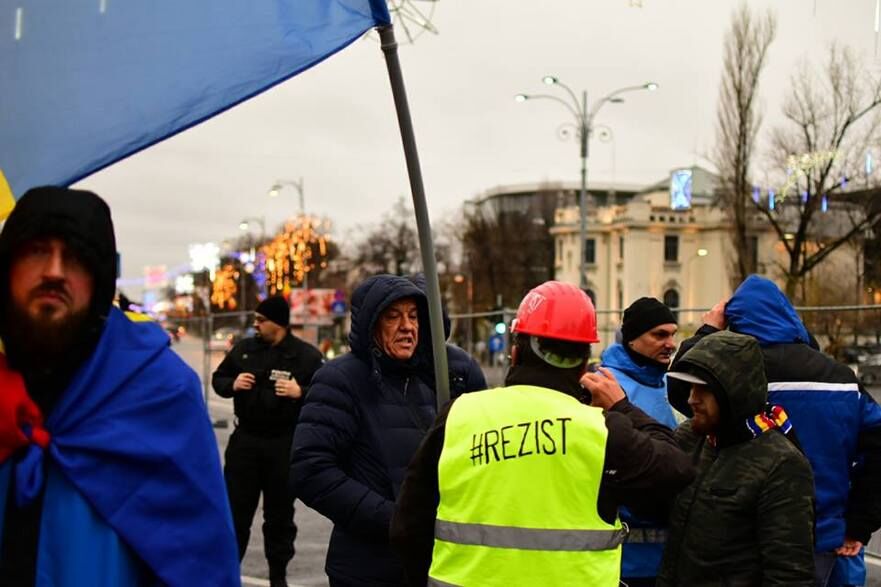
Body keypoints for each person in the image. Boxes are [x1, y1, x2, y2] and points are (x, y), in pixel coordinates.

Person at [0, 186, 239, 585]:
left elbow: (202, 561)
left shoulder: (160, 389)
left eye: (75, 258)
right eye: (38, 250)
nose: (55, 271)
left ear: (99, 280)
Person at [390, 281, 696, 587]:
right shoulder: (601, 430)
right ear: (582, 363)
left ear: (514, 352)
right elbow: (677, 468)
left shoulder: (458, 416)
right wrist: (623, 406)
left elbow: (408, 526)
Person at [667, 275, 881, 587]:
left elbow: (681, 391)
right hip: (829, 540)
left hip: (749, 539)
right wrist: (858, 525)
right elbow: (876, 449)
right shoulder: (842, 378)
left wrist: (709, 330)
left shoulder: (734, 379)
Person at [290, 274, 486, 586]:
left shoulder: (455, 373)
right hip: (369, 568)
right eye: (393, 316)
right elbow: (311, 470)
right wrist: (394, 520)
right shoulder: (341, 380)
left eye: (414, 315)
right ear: (371, 325)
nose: (407, 326)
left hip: (446, 564)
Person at [658, 330, 816, 586]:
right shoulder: (691, 437)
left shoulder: (782, 465)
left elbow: (790, 575)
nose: (691, 399)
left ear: (734, 392)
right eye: (690, 387)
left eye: (703, 390)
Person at [212, 295, 324, 587]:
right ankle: (227, 573)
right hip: (245, 441)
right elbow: (219, 379)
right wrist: (232, 384)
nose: (256, 325)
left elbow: (326, 395)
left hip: (282, 444)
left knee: (279, 516)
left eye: (262, 320)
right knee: (236, 514)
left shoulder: (306, 356)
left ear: (280, 324)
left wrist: (301, 392)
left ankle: (278, 576)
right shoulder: (244, 350)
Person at [601, 297, 678, 586]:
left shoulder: (674, 385)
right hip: (623, 562)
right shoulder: (606, 385)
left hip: (668, 559)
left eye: (673, 334)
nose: (670, 343)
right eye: (659, 335)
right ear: (633, 339)